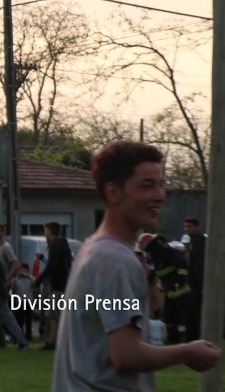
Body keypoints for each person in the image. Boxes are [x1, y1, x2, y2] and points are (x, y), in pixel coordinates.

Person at [52, 141, 221, 391]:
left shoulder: (95, 248)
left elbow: (142, 310)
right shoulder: (114, 259)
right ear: (113, 193)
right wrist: (186, 352)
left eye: (160, 184)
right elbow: (126, 355)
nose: (160, 195)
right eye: (147, 186)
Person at [34, 221, 73, 351]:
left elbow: (52, 266)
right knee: (51, 315)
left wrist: (38, 280)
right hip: (62, 285)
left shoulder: (55, 245)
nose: (44, 235)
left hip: (59, 286)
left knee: (56, 315)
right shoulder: (63, 245)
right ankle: (52, 341)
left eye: (45, 232)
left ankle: (56, 342)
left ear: (50, 232)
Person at [182, 216, 206, 341]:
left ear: (196, 227)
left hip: (197, 286)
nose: (187, 229)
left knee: (196, 312)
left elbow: (200, 264)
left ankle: (197, 337)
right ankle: (191, 337)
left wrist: (202, 285)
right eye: (185, 226)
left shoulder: (199, 241)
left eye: (190, 226)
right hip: (192, 285)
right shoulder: (193, 242)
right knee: (191, 312)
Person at [12, 263, 35, 342]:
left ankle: (28, 336)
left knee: (28, 321)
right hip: (19, 302)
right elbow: (13, 289)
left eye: (25, 270)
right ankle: (19, 336)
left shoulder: (31, 279)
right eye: (22, 270)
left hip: (28, 302)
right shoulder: (17, 280)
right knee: (19, 321)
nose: (23, 272)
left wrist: (28, 276)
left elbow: (35, 283)